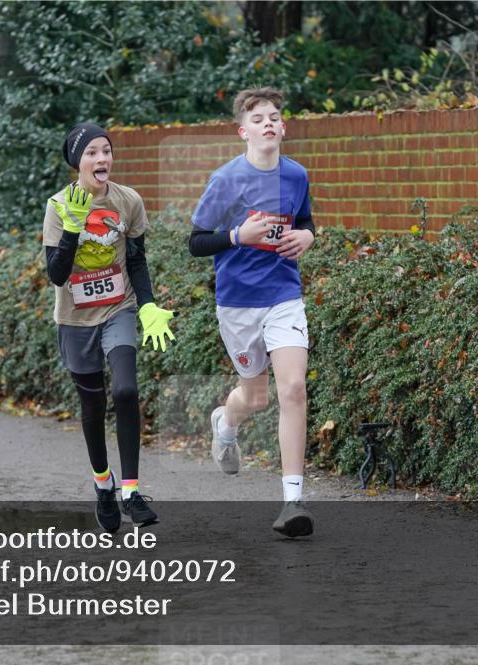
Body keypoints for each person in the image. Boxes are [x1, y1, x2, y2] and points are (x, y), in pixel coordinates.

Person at [188, 88, 316, 538]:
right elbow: (196, 241)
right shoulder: (226, 180)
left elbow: (305, 222)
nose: (268, 123)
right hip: (238, 301)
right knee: (256, 398)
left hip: (284, 294)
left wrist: (308, 239)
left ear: (283, 128)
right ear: (244, 131)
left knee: (294, 389)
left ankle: (293, 502)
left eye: (275, 117)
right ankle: (226, 423)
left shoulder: (296, 175)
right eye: (258, 118)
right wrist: (239, 235)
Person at [43, 122, 175, 533]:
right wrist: (71, 228)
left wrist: (149, 305)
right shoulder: (58, 205)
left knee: (126, 389)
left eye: (107, 150)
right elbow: (56, 275)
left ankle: (132, 492)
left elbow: (135, 259)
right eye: (92, 153)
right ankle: (103, 483)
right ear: (77, 162)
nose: (102, 159)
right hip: (75, 318)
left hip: (118, 308)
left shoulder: (128, 200)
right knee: (93, 406)